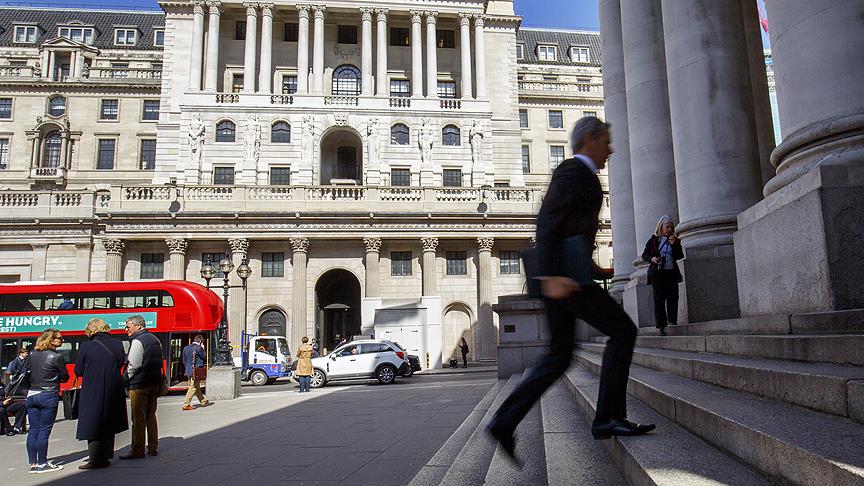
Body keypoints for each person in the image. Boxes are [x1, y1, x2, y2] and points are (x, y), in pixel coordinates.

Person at [487, 117, 655, 463]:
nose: (610, 149)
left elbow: (572, 235)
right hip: (564, 281)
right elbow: (548, 223)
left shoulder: (582, 175)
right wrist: (550, 275)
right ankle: (608, 417)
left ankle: (505, 421)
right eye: (606, 141)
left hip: (567, 277)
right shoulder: (572, 172)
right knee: (623, 331)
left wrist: (597, 268)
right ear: (590, 140)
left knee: (559, 356)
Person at [75, 319, 128, 470]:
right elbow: (121, 362)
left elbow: (78, 370)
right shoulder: (118, 344)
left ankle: (95, 458)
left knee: (93, 421)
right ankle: (106, 455)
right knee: (109, 420)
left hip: (93, 387)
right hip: (113, 386)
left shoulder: (87, 346)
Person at [25, 328, 70, 474]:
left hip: (32, 394)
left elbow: (27, 373)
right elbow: (65, 377)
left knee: (33, 430)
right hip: (48, 394)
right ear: (51, 340)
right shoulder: (56, 357)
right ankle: (43, 464)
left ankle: (33, 463)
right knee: (44, 431)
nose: (62, 340)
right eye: (59, 338)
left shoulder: (31, 354)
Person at [122, 315, 164, 459]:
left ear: (138, 326)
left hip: (139, 385)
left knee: (138, 418)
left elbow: (133, 364)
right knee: (151, 416)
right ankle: (153, 447)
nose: (126, 329)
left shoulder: (137, 341)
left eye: (128, 326)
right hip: (154, 383)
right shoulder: (155, 339)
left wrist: (126, 379)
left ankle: (137, 449)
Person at [642, 216, 684, 336]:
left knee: (673, 297)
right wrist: (652, 259)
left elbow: (679, 256)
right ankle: (661, 326)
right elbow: (644, 255)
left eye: (671, 227)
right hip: (658, 274)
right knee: (659, 300)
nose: (670, 229)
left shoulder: (675, 240)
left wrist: (675, 245)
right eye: (667, 227)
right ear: (661, 227)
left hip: (671, 272)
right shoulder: (654, 240)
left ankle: (672, 320)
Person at [182, 335, 210, 410]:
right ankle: (186, 404)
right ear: (200, 342)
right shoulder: (198, 348)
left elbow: (184, 360)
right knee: (193, 387)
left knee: (196, 386)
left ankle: (203, 401)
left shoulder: (186, 348)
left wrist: (188, 368)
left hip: (188, 370)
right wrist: (203, 348)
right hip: (196, 371)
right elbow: (204, 356)